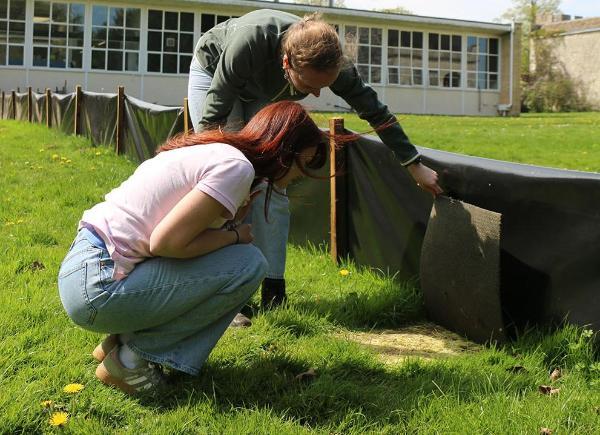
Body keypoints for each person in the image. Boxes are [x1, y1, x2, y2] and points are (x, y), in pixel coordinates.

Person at [57, 101, 331, 395]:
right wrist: (235, 236)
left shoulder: (215, 152)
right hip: (98, 289)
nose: (301, 176)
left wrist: (231, 219)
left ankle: (121, 340)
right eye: (305, 163)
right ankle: (130, 360)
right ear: (286, 149)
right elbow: (166, 242)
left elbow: (175, 239)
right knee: (248, 264)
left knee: (226, 258)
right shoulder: (237, 168)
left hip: (86, 270)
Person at [188, 9, 443, 314]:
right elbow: (213, 115)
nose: (318, 93)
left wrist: (414, 165)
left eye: (326, 85)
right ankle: (227, 299)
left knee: (272, 179)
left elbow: (375, 111)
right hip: (215, 71)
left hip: (261, 88)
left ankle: (273, 289)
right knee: (230, 178)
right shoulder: (251, 41)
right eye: (309, 87)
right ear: (287, 64)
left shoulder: (336, 66)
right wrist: (224, 174)